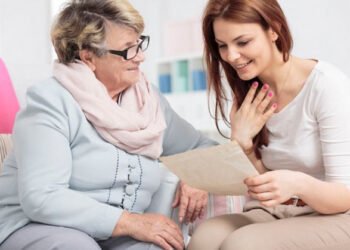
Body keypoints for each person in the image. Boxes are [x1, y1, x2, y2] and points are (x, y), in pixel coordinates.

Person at [0, 0, 215, 249]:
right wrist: (132, 222)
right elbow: (42, 197)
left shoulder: (149, 101)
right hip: (37, 227)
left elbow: (201, 146)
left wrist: (196, 177)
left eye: (139, 44)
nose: (141, 57)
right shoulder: (51, 101)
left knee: (162, 246)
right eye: (128, 49)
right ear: (89, 58)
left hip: (115, 235)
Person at [188, 0, 350, 249]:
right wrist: (243, 145)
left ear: (273, 29)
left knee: (243, 244)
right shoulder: (249, 96)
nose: (231, 56)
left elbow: (345, 195)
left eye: (242, 42)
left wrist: (297, 184)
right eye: (222, 46)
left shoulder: (327, 87)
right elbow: (262, 184)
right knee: (205, 237)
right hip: (278, 211)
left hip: (337, 214)